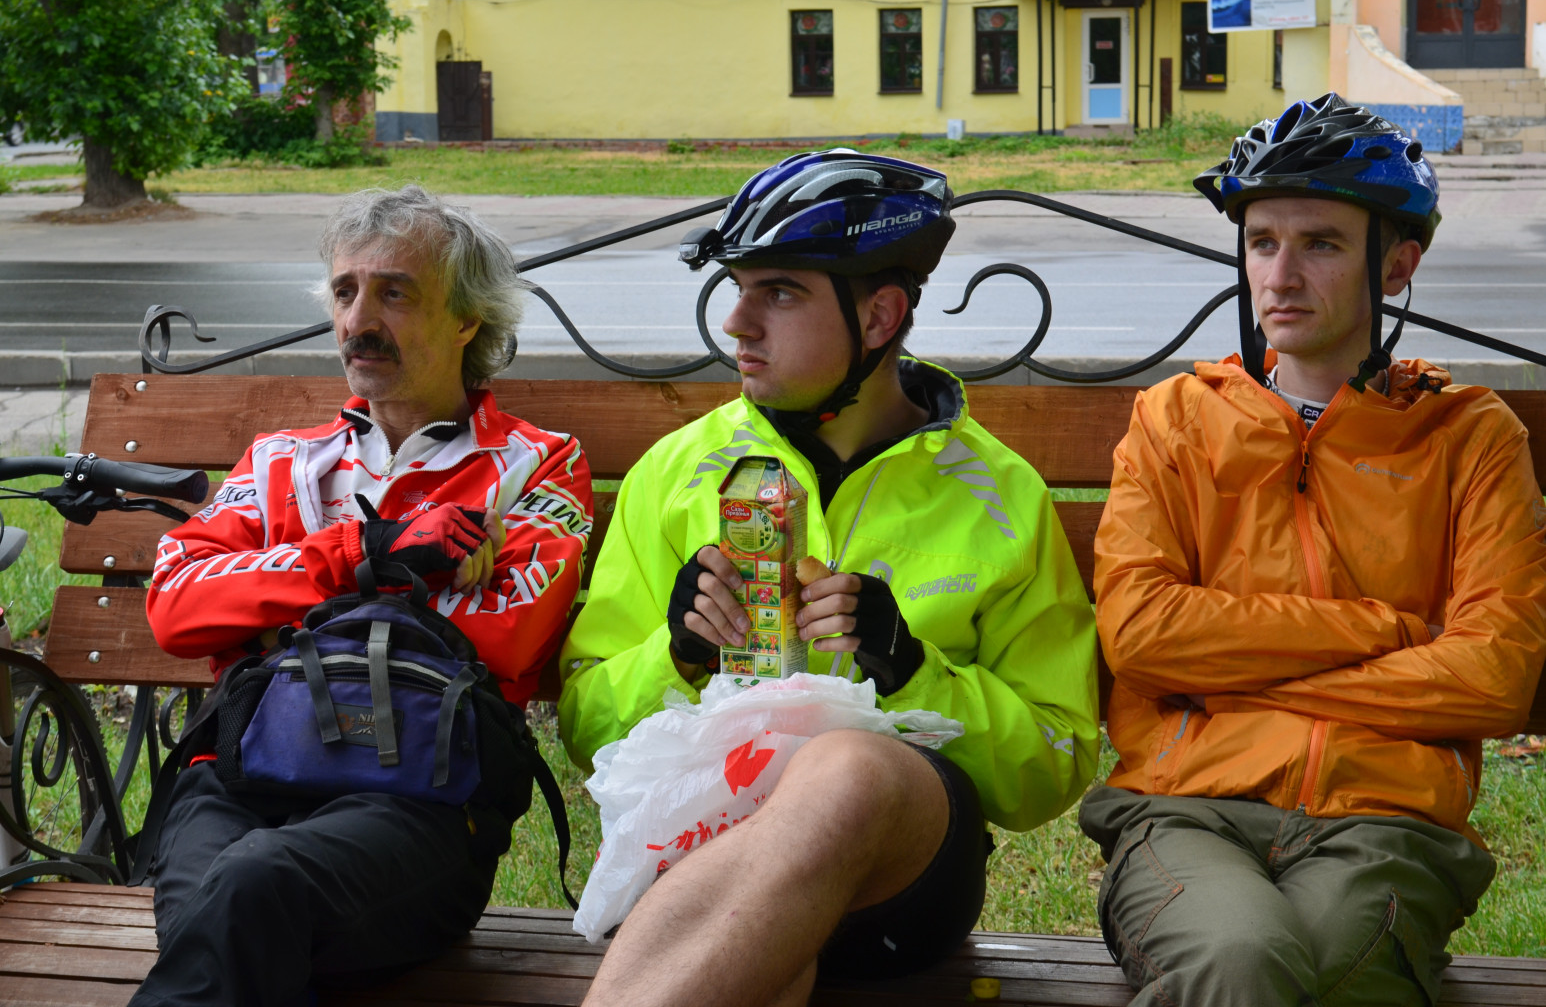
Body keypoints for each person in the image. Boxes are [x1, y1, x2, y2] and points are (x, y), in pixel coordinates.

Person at [559, 150, 1099, 1006]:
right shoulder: (677, 473)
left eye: (778, 293)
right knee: (766, 964)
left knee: (847, 768)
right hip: (706, 840)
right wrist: (678, 654)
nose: (737, 322)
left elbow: (1054, 765)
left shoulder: (1000, 496)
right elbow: (587, 725)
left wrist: (912, 670)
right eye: (738, 288)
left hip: (900, 874)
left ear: (880, 315)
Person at [1082, 93, 1546, 1006]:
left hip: (1387, 826)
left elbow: (1490, 679)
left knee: (1324, 983)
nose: (1280, 276)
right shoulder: (1175, 421)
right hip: (1186, 813)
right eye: (1261, 242)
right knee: (1238, 960)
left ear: (1397, 265)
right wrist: (1384, 629)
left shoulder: (1469, 438)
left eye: (1321, 244)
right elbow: (1140, 634)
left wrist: (1230, 679)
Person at [132, 185, 593, 1006]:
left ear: (467, 319)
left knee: (249, 891)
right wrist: (366, 553)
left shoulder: (537, 465)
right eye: (345, 292)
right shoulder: (280, 460)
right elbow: (176, 603)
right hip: (238, 778)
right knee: (238, 920)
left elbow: (503, 636)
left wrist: (275, 613)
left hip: (422, 799)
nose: (357, 320)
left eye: (395, 293)